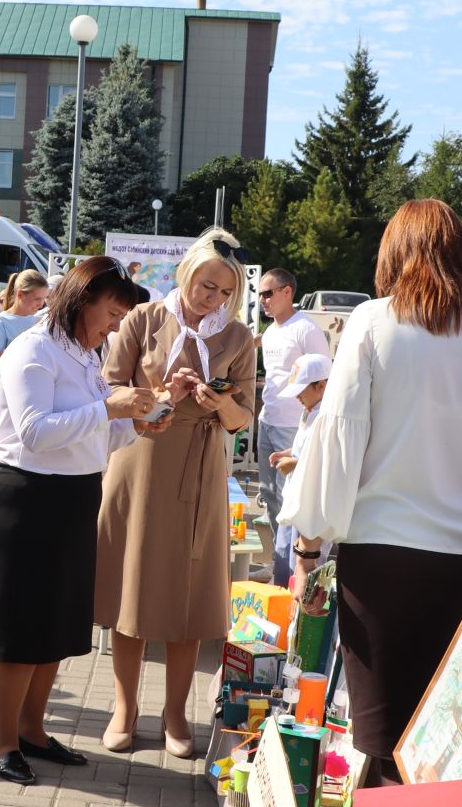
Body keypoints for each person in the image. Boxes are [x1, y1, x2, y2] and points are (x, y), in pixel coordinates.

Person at [281, 200, 462, 785]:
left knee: (383, 741)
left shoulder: (372, 322)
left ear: (394, 254)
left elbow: (339, 440)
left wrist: (308, 545)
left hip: (381, 561)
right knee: (457, 745)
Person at [0, 258, 159, 783]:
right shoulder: (32, 351)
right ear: (83, 300)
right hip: (28, 498)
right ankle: (3, 741)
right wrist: (110, 408)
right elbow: (36, 432)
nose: (113, 325)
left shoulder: (84, 353)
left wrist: (139, 422)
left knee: (58, 622)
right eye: (111, 312)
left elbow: (93, 435)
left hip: (77, 496)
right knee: (21, 628)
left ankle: (33, 730)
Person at [95, 230, 254, 757]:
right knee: (131, 589)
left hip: (198, 464)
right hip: (139, 456)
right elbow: (109, 390)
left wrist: (215, 403)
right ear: (186, 273)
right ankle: (124, 706)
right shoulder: (143, 319)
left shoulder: (239, 338)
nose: (212, 299)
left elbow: (242, 417)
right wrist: (163, 394)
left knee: (189, 594)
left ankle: (176, 714)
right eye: (207, 286)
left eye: (224, 293)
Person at [253, 268, 329, 583]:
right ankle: (280, 566)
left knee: (294, 504)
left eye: (268, 293)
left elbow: (323, 376)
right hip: (267, 422)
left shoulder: (306, 329)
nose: (262, 301)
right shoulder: (270, 332)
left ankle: (297, 573)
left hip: (293, 427)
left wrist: (310, 428)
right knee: (272, 501)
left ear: (288, 292)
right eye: (259, 294)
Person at [265, 353, 333, 589]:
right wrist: (287, 453)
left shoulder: (328, 416)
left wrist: (294, 463)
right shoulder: (311, 409)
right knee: (284, 553)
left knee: (303, 563)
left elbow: (326, 459)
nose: (297, 398)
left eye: (301, 391)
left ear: (321, 386)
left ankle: (298, 611)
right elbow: (304, 445)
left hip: (310, 504)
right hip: (295, 497)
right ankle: (283, 600)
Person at [0, 269, 49, 392]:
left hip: (38, 388)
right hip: (11, 390)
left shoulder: (40, 320)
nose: (41, 304)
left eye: (44, 299)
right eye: (37, 299)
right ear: (20, 294)